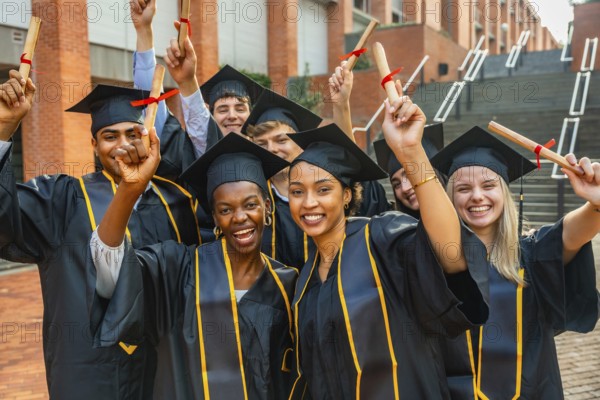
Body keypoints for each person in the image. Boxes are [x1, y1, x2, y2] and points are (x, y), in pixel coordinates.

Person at [0, 75, 199, 399]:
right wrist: (4, 129)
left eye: (133, 134)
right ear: (94, 145)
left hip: (163, 368)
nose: (122, 144)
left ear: (150, 137)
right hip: (87, 372)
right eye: (109, 136)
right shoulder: (61, 199)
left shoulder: (179, 202)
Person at [285, 90, 490, 399]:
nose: (308, 202)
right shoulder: (304, 281)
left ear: (347, 195)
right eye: (297, 191)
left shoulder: (382, 238)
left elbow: (449, 254)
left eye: (323, 189)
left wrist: (412, 154)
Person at [89, 132, 298, 399]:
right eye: (225, 209)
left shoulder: (287, 284)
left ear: (267, 207)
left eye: (250, 205)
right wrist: (129, 191)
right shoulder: (178, 269)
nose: (240, 217)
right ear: (214, 217)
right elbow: (110, 266)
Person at [430, 126, 600, 399]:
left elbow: (575, 230)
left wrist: (595, 203)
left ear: (505, 193)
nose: (477, 196)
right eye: (463, 188)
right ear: (450, 199)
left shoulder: (533, 253)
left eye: (488, 185)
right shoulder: (436, 259)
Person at [243, 88, 322, 268]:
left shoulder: (324, 194)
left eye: (281, 140)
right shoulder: (253, 201)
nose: (271, 149)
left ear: (301, 145)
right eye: (262, 144)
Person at [373, 123, 445, 218]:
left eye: (410, 174)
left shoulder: (466, 222)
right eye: (396, 185)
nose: (404, 188)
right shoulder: (398, 230)